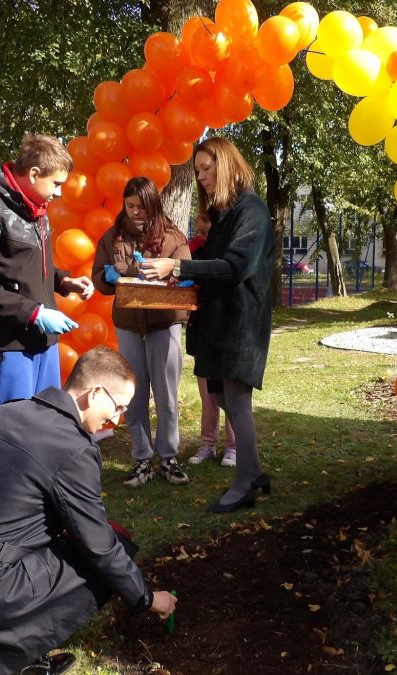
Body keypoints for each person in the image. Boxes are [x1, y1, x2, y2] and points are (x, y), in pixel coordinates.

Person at [0, 346, 177, 675]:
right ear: (94, 393)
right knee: (113, 545)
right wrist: (145, 597)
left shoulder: (8, 413)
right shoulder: (74, 448)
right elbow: (98, 545)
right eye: (117, 407)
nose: (116, 419)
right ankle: (11, 659)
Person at [141, 136, 274, 513]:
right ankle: (257, 472)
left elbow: (235, 267)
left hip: (240, 322)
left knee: (237, 400)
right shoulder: (223, 213)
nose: (200, 177)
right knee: (219, 395)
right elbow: (211, 263)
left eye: (206, 168)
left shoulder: (252, 210)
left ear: (227, 164)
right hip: (217, 319)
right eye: (197, 170)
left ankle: (244, 485)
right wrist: (178, 278)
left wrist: (178, 266)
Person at [0, 133, 95, 412]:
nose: (58, 193)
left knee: (44, 421)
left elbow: (28, 265)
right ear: (34, 174)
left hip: (44, 341)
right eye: (56, 184)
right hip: (10, 344)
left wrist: (64, 281)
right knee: (11, 426)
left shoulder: (37, 208)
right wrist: (34, 314)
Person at [92, 177, 192, 488]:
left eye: (142, 206)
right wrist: (108, 278)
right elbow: (99, 276)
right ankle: (141, 460)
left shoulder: (173, 236)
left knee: (166, 393)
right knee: (132, 394)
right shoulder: (112, 237)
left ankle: (169, 457)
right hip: (129, 323)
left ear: (154, 205)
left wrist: (174, 272)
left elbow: (188, 273)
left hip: (165, 321)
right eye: (130, 205)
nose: (136, 212)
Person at [185, 209, 237, 468]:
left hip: (227, 328)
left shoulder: (230, 253)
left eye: (206, 232)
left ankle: (234, 446)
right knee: (208, 394)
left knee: (230, 391)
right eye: (199, 231)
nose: (201, 236)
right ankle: (208, 443)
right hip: (202, 328)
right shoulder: (194, 250)